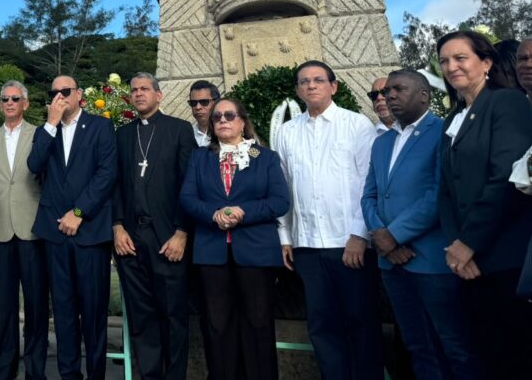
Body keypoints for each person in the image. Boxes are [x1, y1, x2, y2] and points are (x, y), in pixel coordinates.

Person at [361, 69, 481, 378]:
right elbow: (370, 195)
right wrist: (382, 240)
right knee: (417, 346)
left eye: (398, 89)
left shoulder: (443, 132)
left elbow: (438, 193)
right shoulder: (381, 142)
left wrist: (396, 235)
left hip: (430, 260)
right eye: (386, 91)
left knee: (456, 346)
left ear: (424, 95)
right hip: (392, 264)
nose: (389, 96)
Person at [276, 60, 382, 380]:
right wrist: (285, 236)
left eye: (318, 80)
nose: (311, 86)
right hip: (307, 246)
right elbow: (284, 187)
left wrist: (359, 234)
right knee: (322, 326)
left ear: (333, 86)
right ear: (297, 90)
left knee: (361, 323)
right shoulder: (287, 131)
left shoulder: (356, 124)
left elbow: (369, 182)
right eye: (304, 81)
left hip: (348, 244)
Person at [436, 30, 532, 377]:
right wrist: (455, 247)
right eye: (445, 60)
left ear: (486, 62)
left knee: (518, 356)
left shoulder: (507, 103)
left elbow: (506, 177)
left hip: (506, 257)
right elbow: (445, 189)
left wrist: (470, 243)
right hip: (467, 263)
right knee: (489, 355)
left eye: (461, 58)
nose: (451, 66)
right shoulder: (454, 117)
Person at [180, 97, 287, 380]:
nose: (223, 120)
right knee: (217, 324)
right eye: (217, 117)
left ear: (242, 121)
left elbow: (280, 201)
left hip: (255, 251)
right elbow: (187, 199)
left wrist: (244, 211)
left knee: (258, 322)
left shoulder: (264, 157)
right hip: (212, 251)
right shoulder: (200, 157)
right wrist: (214, 214)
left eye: (229, 115)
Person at [27, 76, 117, 380]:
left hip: (90, 233)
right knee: (63, 313)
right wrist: (50, 125)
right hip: (55, 234)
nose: (59, 96)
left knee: (93, 313)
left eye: (65, 91)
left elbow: (107, 173)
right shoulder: (45, 131)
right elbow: (34, 165)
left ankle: (95, 375)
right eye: (53, 93)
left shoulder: (100, 126)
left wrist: (78, 212)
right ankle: (69, 375)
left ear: (79, 95)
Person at [112, 73, 196, 380]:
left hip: (168, 238)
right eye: (134, 90)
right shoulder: (122, 134)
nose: (138, 94)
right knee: (141, 316)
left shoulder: (179, 130)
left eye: (145, 89)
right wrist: (117, 227)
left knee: (173, 316)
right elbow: (115, 185)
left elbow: (189, 185)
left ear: (158, 95)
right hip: (131, 239)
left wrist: (182, 232)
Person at [0, 80, 48, 380]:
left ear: (26, 103)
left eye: (15, 98)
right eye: (4, 99)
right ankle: (5, 369)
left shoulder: (41, 134)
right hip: (0, 231)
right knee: (5, 306)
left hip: (32, 229)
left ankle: (36, 370)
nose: (9, 103)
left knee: (35, 304)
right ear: (0, 104)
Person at [186, 80, 219, 147]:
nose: (198, 107)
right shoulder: (186, 135)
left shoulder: (226, 133)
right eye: (193, 103)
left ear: (216, 102)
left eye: (204, 102)